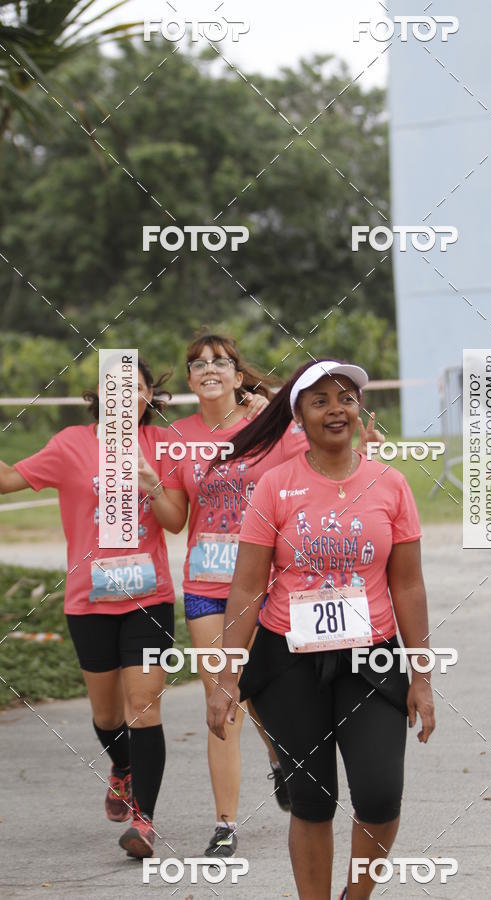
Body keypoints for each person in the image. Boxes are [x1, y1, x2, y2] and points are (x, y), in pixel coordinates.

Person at [206, 359, 436, 900]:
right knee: (311, 799)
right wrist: (225, 676)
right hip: (289, 661)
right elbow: (246, 589)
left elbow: (408, 586)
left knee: (380, 796)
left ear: (359, 410)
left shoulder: (391, 484)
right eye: (320, 401)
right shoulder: (274, 487)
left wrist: (422, 676)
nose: (336, 409)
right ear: (300, 417)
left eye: (346, 398)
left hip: (371, 659)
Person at [138, 333, 308, 860]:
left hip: (263, 585)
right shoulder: (177, 438)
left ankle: (281, 757)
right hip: (207, 589)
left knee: (257, 691)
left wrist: (287, 418)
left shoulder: (270, 426)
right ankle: (225, 824)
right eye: (197, 363)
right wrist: (152, 487)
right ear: (190, 381)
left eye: (220, 361)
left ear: (237, 375)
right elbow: (175, 520)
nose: (208, 368)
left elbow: (316, 463)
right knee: (223, 697)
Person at [0, 359, 175, 860]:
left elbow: (178, 519)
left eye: (135, 388)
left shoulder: (161, 447)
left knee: (142, 706)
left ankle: (144, 821)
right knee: (105, 714)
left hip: (149, 597)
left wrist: (154, 485)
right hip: (88, 600)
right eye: (113, 388)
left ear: (147, 398)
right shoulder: (70, 444)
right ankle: (121, 767)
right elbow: (10, 479)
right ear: (98, 396)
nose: (124, 396)